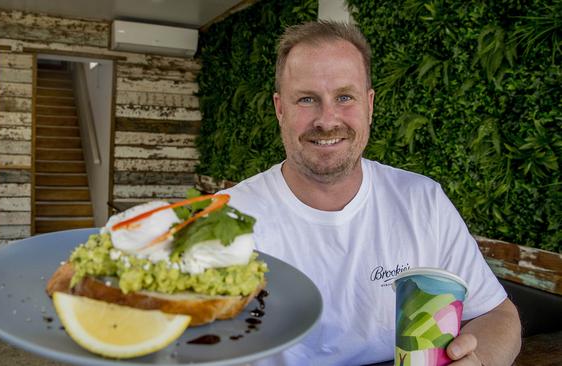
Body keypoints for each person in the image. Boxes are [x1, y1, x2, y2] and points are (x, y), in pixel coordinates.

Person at [220, 20, 521, 365]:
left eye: (345, 97)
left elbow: (498, 314)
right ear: (280, 109)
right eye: (307, 99)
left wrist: (478, 359)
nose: (327, 119)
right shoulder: (228, 217)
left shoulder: (423, 201)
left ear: (370, 104)